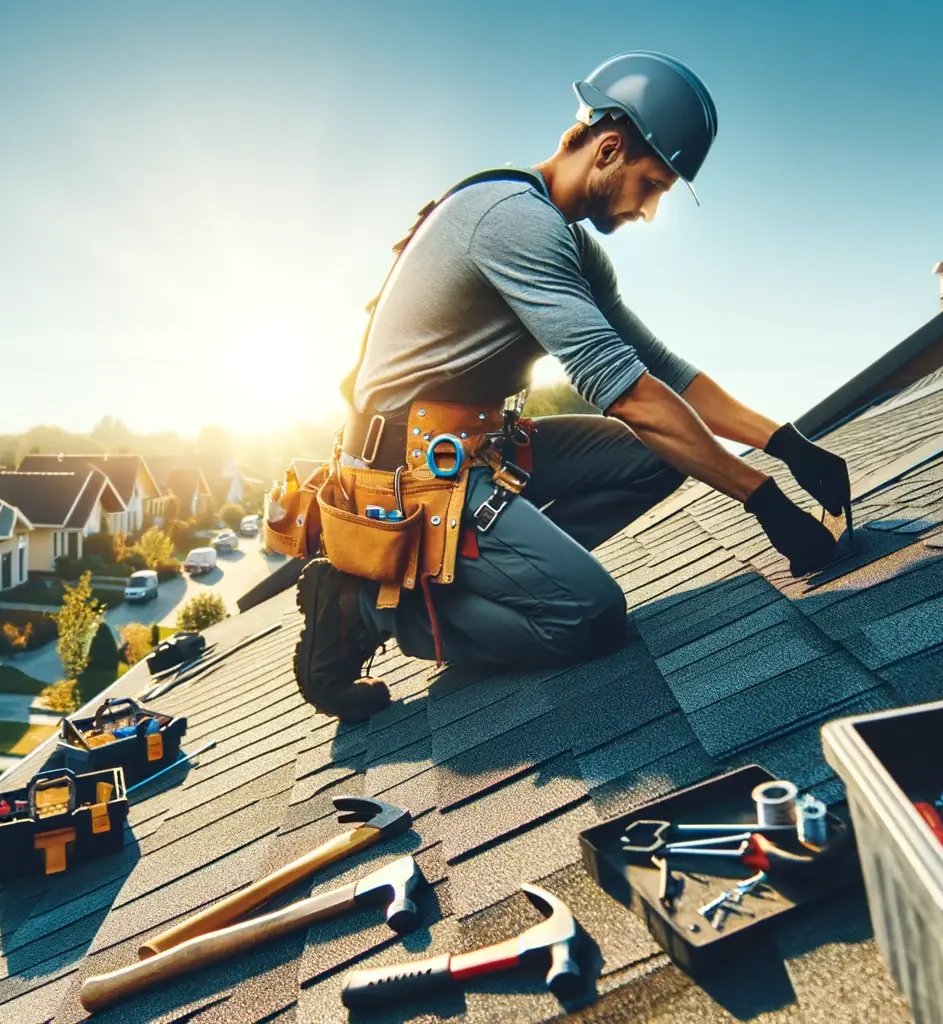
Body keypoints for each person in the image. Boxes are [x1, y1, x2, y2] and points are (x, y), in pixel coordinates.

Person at [293, 51, 851, 720]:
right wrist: (764, 501)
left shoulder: (567, 242)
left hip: (471, 450)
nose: (649, 209)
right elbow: (624, 393)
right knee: (590, 619)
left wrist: (786, 443)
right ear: (609, 149)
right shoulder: (515, 222)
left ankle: (508, 574)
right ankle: (368, 607)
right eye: (654, 185)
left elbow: (661, 371)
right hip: (411, 476)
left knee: (658, 454)